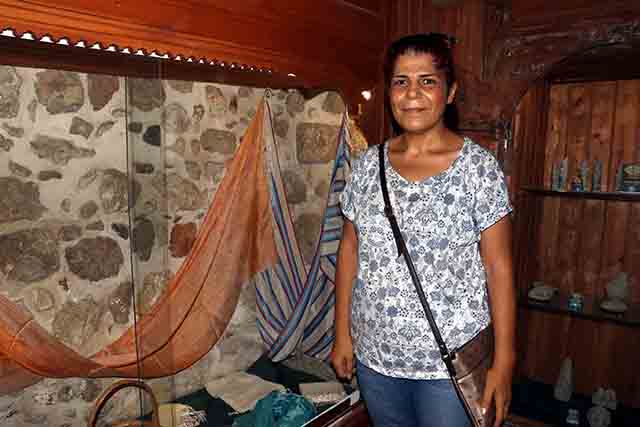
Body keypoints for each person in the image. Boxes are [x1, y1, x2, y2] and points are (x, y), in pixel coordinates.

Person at [331, 33, 516, 427]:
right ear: (389, 92)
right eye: (401, 81)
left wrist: (504, 361)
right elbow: (349, 251)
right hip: (376, 358)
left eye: (427, 81)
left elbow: (499, 268)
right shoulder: (367, 167)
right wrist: (342, 334)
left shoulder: (478, 170)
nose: (412, 93)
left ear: (450, 92)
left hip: (447, 367)